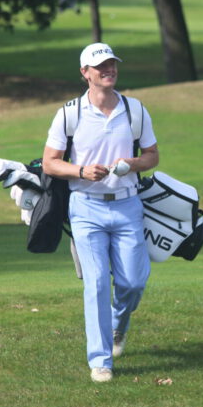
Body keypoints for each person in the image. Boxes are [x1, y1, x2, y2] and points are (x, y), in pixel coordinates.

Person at [42, 43, 159, 382]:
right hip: (85, 208)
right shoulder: (69, 113)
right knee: (95, 282)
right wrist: (80, 171)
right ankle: (100, 360)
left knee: (133, 282)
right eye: (100, 66)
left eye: (111, 64)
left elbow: (152, 155)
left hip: (127, 205)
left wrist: (132, 164)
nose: (108, 69)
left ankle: (118, 326)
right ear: (85, 73)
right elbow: (49, 162)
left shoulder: (135, 110)